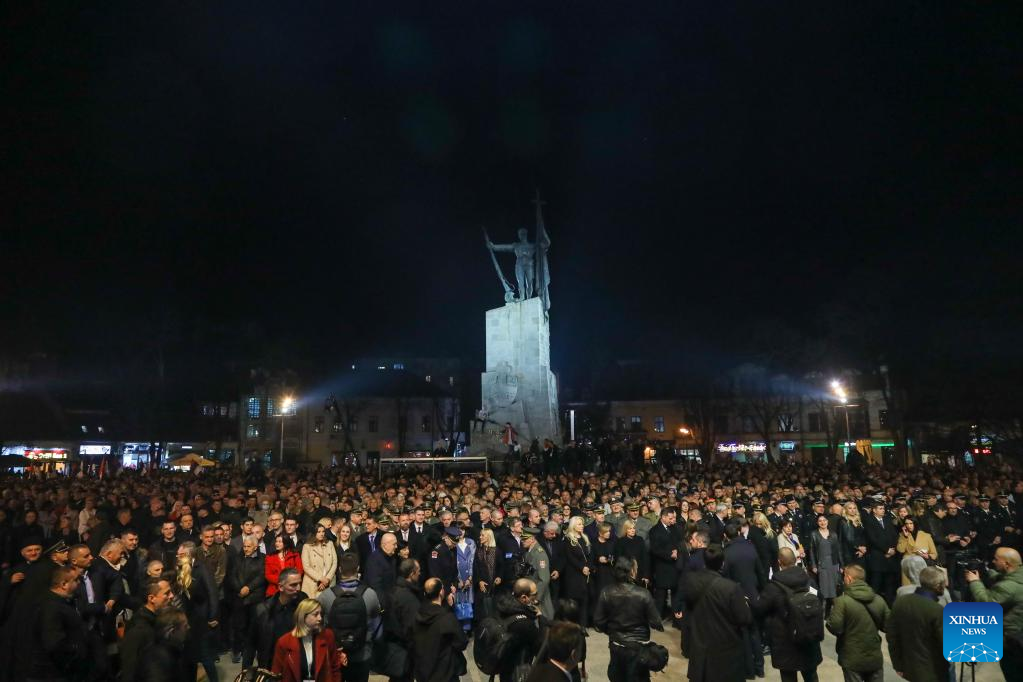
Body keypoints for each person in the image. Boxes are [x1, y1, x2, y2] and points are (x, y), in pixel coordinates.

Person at [679, 544, 752, 682]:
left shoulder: (691, 581)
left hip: (700, 646)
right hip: (725, 651)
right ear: (722, 563)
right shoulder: (731, 588)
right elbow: (744, 618)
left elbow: (688, 604)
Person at [753, 547, 822, 682]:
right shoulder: (809, 581)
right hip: (808, 638)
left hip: (784, 642)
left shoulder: (773, 587)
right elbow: (820, 598)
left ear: (779, 562)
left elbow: (759, 610)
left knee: (788, 678)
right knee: (811, 676)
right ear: (795, 560)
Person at [593, 555, 662, 682]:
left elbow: (598, 621)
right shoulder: (643, 594)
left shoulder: (606, 592)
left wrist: (612, 630)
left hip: (616, 644)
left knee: (617, 677)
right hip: (639, 646)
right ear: (632, 572)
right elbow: (656, 621)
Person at [319, 553, 382, 682]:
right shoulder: (370, 594)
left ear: (339, 569)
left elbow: (319, 627)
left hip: (335, 655)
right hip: (362, 654)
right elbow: (377, 628)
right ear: (358, 569)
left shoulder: (326, 596)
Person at [965, 546, 1023, 681]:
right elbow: (1008, 579)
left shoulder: (1007, 587)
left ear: (1006, 564)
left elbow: (986, 603)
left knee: (1013, 674)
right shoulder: (1018, 575)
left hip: (1011, 641)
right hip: (1019, 633)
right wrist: (989, 572)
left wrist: (975, 582)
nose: (993, 561)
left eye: (996, 559)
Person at [24, 565, 90, 681]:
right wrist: (75, 654)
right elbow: (54, 643)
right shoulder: (52, 607)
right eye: (75, 580)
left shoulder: (61, 603)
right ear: (64, 584)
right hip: (52, 674)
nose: (79, 583)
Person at [826, 564, 890, 682]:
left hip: (851, 658)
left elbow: (835, 627)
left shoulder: (842, 602)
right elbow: (888, 626)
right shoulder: (878, 600)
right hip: (874, 657)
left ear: (849, 578)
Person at [886, 566, 949, 682]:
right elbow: (947, 644)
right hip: (934, 672)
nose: (945, 585)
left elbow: (892, 636)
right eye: (944, 582)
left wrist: (897, 665)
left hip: (909, 668)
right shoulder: (937, 610)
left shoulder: (900, 601)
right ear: (937, 585)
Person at [722, 522, 766, 679]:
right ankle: (759, 667)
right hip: (754, 594)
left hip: (738, 597)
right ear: (740, 532)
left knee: (743, 633)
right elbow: (760, 571)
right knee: (754, 631)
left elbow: (726, 578)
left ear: (725, 536)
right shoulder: (750, 547)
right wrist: (762, 592)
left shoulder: (727, 552)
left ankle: (749, 669)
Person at [174, 540, 220, 682]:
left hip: (201, 618)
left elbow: (212, 593)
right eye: (177, 554)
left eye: (181, 554)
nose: (178, 556)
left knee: (205, 654)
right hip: (187, 619)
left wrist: (212, 616)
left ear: (189, 554)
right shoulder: (180, 568)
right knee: (190, 655)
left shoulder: (202, 568)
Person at [271, 598, 346, 682]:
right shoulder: (284, 642)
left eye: (321, 614)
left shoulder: (327, 636)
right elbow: (276, 674)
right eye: (315, 614)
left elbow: (335, 668)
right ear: (303, 616)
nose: (320, 618)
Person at [250, 567, 308, 670]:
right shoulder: (263, 610)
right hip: (271, 665)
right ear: (281, 587)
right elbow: (251, 643)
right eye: (293, 585)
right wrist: (246, 671)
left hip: (297, 664)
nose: (298, 588)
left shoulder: (303, 600)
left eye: (300, 583)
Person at [413, 578, 468, 682]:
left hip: (423, 672)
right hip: (445, 673)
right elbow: (462, 642)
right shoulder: (447, 618)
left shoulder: (418, 614)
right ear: (441, 592)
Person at [120, 578, 174, 682]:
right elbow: (130, 669)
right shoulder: (138, 630)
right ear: (152, 598)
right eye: (167, 593)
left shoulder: (161, 620)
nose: (172, 596)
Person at [226, 534, 267, 664]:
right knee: (239, 626)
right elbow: (231, 575)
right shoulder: (237, 558)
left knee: (254, 626)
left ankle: (253, 650)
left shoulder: (263, 558)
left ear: (255, 547)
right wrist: (240, 589)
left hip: (255, 598)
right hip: (239, 597)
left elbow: (262, 576)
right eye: (244, 546)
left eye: (249, 546)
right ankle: (239, 650)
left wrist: (249, 588)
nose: (246, 549)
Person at [495, 578, 545, 682]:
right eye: (534, 595)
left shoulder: (504, 608)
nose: (536, 599)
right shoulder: (524, 624)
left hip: (504, 669)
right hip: (518, 673)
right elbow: (541, 649)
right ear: (523, 598)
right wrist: (541, 620)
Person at [386, 559, 422, 682]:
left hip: (396, 650)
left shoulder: (395, 590)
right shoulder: (408, 598)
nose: (420, 573)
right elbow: (411, 628)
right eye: (418, 571)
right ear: (412, 574)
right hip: (405, 653)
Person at [135, 607, 191, 682]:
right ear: (172, 631)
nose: (188, 627)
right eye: (185, 626)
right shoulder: (158, 660)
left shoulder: (169, 651)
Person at [863, 500, 900, 605]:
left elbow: (894, 535)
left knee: (890, 583)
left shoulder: (887, 519)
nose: (883, 510)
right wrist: (886, 550)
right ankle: (872, 605)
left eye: (883, 508)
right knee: (876, 583)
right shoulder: (869, 521)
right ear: (874, 510)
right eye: (880, 508)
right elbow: (872, 539)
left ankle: (889, 605)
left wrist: (893, 549)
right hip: (877, 557)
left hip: (890, 557)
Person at [807, 513, 842, 616]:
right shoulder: (814, 534)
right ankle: (822, 614)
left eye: (824, 520)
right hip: (822, 564)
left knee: (834, 590)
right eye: (820, 521)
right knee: (824, 590)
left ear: (827, 521)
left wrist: (842, 565)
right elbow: (811, 551)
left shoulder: (833, 534)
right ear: (817, 523)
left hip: (833, 564)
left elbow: (838, 551)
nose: (822, 522)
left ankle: (830, 613)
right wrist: (813, 565)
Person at [561, 516, 591, 628]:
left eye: (582, 524)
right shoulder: (567, 539)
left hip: (585, 574)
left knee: (584, 600)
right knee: (573, 601)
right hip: (573, 574)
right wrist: (582, 567)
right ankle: (572, 626)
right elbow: (570, 557)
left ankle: (583, 626)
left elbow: (589, 555)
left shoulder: (585, 538)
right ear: (573, 525)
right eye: (579, 524)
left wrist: (588, 567)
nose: (582, 526)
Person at [522, 527, 554, 620]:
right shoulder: (529, 551)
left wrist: (536, 597)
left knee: (543, 620)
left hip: (538, 594)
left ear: (532, 539)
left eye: (524, 539)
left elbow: (544, 579)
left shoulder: (540, 554)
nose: (522, 541)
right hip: (530, 592)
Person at [895, 517, 937, 584]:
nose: (908, 526)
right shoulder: (902, 535)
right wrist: (905, 537)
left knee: (922, 585)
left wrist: (927, 556)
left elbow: (934, 554)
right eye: (906, 524)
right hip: (908, 564)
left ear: (915, 523)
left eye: (911, 523)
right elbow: (900, 550)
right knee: (908, 587)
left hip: (922, 563)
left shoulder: (926, 536)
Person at [301, 524, 338, 598]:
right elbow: (306, 567)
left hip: (328, 582)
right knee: (311, 604)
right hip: (312, 583)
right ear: (314, 533)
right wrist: (321, 579)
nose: (322, 534)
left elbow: (334, 563)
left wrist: (327, 579)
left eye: (323, 531)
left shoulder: (330, 544)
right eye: (319, 532)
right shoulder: (307, 546)